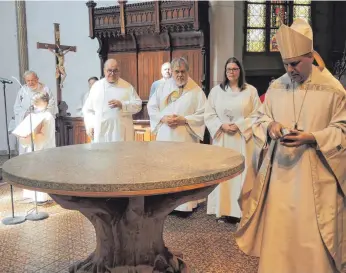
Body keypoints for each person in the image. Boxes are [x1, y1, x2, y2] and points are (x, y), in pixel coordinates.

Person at [235, 18, 346, 273]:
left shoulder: (334, 91)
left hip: (317, 179)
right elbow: (257, 118)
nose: (290, 69)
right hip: (281, 179)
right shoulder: (276, 87)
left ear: (310, 56)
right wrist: (270, 125)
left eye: (295, 63)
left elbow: (343, 130)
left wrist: (312, 137)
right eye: (286, 63)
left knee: (312, 240)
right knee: (281, 234)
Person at [204, 57, 261, 222]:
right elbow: (209, 114)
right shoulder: (216, 91)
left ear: (240, 71)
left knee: (240, 174)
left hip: (242, 139)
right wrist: (221, 125)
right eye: (229, 69)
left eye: (235, 69)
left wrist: (240, 125)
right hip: (222, 138)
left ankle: (240, 211)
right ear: (225, 71)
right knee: (223, 173)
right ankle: (222, 209)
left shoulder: (250, 91)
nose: (231, 72)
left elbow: (258, 113)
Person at [147, 57, 206, 212]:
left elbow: (203, 113)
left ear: (188, 71)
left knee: (185, 169)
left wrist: (184, 119)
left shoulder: (196, 91)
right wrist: (163, 118)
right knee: (167, 169)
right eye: (177, 71)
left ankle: (186, 205)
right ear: (172, 72)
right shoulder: (162, 88)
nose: (180, 75)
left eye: (183, 71)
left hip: (186, 137)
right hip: (166, 137)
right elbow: (151, 108)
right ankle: (165, 203)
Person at [83, 59, 142, 143]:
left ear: (119, 71)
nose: (112, 73)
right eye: (109, 70)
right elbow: (88, 109)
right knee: (103, 155)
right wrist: (90, 125)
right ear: (104, 71)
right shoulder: (96, 87)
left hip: (120, 131)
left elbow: (138, 105)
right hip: (101, 131)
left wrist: (122, 104)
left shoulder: (127, 87)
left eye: (115, 71)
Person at [12, 92, 56, 203]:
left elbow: (44, 134)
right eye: (34, 102)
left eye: (37, 102)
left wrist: (30, 134)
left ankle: (41, 197)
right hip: (35, 145)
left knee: (41, 171)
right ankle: (31, 195)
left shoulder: (47, 116)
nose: (34, 104)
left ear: (45, 102)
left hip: (43, 146)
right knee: (32, 169)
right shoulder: (37, 115)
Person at [13, 70, 57, 154]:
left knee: (41, 149)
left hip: (42, 122)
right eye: (28, 81)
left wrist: (40, 116)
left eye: (32, 80)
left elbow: (51, 104)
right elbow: (17, 107)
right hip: (27, 120)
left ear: (37, 79)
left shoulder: (45, 89)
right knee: (27, 150)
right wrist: (25, 114)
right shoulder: (22, 90)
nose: (30, 83)